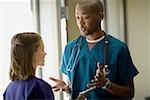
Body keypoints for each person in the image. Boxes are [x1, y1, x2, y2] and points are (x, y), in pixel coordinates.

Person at [49, 0, 139, 99]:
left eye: (86, 17)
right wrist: (67, 89)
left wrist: (106, 84)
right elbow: (76, 90)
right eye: (77, 18)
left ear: (101, 16)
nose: (80, 23)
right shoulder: (70, 49)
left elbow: (130, 93)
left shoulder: (118, 49)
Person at [3, 32, 54, 100]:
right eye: (42, 49)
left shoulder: (10, 88)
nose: (45, 53)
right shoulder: (39, 87)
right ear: (32, 53)